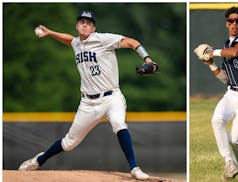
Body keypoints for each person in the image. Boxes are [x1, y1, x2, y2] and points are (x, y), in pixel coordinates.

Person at [18, 10, 158, 180]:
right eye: (82, 21)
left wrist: (148, 60)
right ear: (77, 26)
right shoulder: (77, 43)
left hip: (111, 97)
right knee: (69, 143)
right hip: (88, 103)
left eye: (89, 22)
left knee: (118, 123)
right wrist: (50, 32)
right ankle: (39, 160)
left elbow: (131, 42)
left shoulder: (102, 39)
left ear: (94, 28)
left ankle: (135, 168)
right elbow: (69, 40)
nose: (85, 24)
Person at [194, 6, 238, 181]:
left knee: (234, 139)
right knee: (216, 120)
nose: (234, 24)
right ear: (226, 23)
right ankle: (228, 161)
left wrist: (213, 53)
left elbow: (235, 53)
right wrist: (210, 64)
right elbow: (226, 78)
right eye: (231, 21)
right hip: (231, 94)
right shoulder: (226, 46)